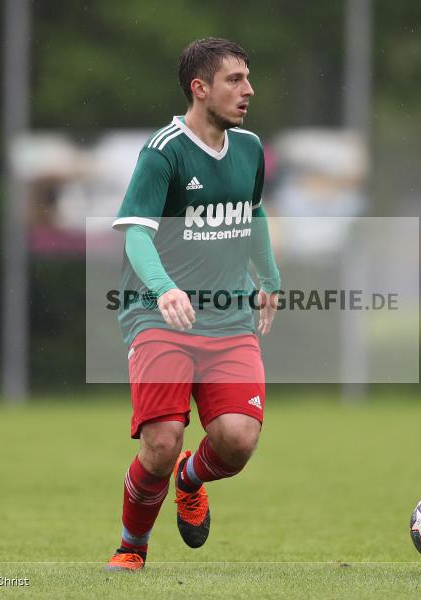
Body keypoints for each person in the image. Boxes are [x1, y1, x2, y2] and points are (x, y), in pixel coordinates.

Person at [105, 37, 281, 571]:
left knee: (238, 439)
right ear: (199, 89)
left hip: (228, 320)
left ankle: (191, 478)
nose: (248, 90)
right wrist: (166, 288)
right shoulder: (164, 151)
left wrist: (268, 278)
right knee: (161, 441)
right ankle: (131, 550)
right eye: (234, 80)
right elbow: (135, 233)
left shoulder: (249, 149)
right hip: (158, 316)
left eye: (248, 78)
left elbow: (253, 216)